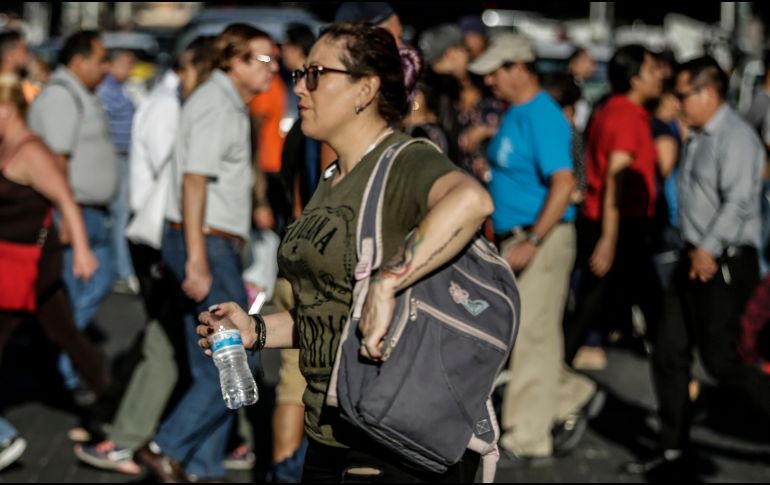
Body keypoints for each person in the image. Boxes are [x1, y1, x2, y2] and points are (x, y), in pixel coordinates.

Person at [196, 22, 492, 482]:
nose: (299, 87)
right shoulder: (332, 178)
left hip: (387, 438)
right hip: (330, 428)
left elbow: (471, 201)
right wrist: (253, 329)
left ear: (366, 89)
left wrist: (388, 281)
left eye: (315, 73)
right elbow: (331, 313)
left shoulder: (402, 161)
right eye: (298, 73)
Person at [134, 24, 277, 482]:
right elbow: (194, 180)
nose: (272, 67)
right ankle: (164, 447)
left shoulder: (225, 101)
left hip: (209, 241)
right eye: (261, 58)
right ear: (232, 60)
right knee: (238, 358)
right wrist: (196, 258)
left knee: (211, 366)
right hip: (206, 242)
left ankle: (201, 468)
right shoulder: (218, 102)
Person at [72, 36, 216, 476]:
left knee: (166, 335)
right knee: (171, 337)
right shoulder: (172, 105)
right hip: (164, 236)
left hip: (163, 234)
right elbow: (175, 174)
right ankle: (128, 431)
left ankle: (120, 424)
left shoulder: (173, 102)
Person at [628, 56, 770, 479]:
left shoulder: (736, 138)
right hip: (693, 257)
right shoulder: (698, 135)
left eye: (683, 94)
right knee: (669, 353)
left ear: (708, 93)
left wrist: (708, 248)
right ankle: (672, 450)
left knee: (723, 361)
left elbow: (740, 200)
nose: (676, 102)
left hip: (724, 262)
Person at [468, 34, 603, 466]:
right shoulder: (519, 112)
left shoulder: (542, 114)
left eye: (495, 70)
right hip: (521, 236)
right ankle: (573, 393)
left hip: (540, 237)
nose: (488, 80)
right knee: (529, 334)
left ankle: (527, 438)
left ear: (519, 67)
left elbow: (565, 184)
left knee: (531, 336)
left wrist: (534, 239)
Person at [0, 74, 108, 471]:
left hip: (29, 268)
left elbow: (66, 198)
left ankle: (3, 438)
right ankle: (115, 409)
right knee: (67, 337)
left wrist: (81, 250)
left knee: (62, 336)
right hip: (14, 265)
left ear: (7, 108)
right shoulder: (7, 145)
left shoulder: (31, 151)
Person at [28, 30, 118, 396]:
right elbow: (57, 164)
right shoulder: (62, 96)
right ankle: (60, 367)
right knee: (67, 298)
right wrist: (65, 219)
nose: (107, 68)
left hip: (91, 212)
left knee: (90, 286)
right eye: (101, 59)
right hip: (75, 213)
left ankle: (64, 361)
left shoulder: (80, 93)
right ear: (78, 62)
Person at [564, 45, 663, 368]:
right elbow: (614, 183)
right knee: (647, 304)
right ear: (634, 80)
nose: (659, 75)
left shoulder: (612, 108)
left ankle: (561, 363)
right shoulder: (624, 117)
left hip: (613, 222)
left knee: (599, 301)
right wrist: (609, 238)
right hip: (619, 224)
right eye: (651, 70)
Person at [97, 48, 139, 295]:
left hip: (122, 157)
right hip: (114, 157)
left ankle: (120, 268)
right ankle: (123, 270)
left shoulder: (118, 89)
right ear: (110, 66)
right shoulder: (106, 90)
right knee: (120, 214)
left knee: (119, 215)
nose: (129, 70)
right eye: (125, 64)